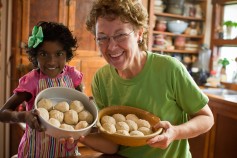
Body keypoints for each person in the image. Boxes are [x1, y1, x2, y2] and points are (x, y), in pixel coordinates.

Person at [78, 0, 214, 158]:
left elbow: (206, 118)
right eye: (102, 38)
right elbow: (112, 144)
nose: (111, 47)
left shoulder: (169, 69)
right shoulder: (101, 79)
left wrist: (175, 132)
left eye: (120, 35)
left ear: (139, 34)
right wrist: (78, 136)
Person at [0, 21, 84, 157]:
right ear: (35, 55)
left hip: (66, 152)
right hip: (36, 152)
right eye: (44, 54)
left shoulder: (72, 76)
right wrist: (23, 116)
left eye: (59, 54)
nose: (51, 61)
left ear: (67, 54)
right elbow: (3, 113)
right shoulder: (32, 81)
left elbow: (81, 105)